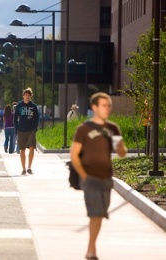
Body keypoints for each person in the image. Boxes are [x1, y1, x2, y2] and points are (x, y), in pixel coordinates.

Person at [70, 92, 127, 260]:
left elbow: (121, 152)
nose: (107, 108)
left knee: (100, 213)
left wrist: (122, 148)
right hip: (90, 178)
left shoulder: (113, 128)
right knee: (95, 213)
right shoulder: (83, 129)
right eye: (104, 105)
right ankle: (91, 249)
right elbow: (74, 155)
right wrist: (84, 176)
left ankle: (91, 246)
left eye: (109, 105)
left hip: (106, 178)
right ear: (94, 107)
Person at [14, 88, 39, 175]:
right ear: (23, 96)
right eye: (26, 95)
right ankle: (23, 168)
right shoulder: (19, 106)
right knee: (22, 150)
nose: (27, 96)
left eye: (29, 95)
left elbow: (37, 118)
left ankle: (29, 167)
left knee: (32, 147)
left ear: (30, 96)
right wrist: (17, 128)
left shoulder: (33, 106)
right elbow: (15, 118)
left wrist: (35, 128)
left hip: (31, 129)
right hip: (21, 129)